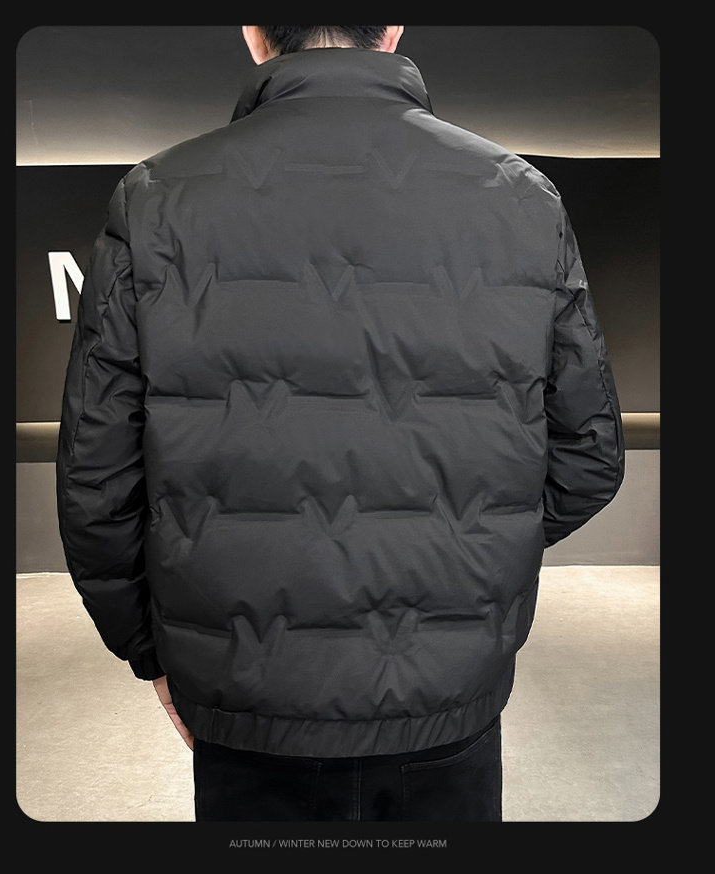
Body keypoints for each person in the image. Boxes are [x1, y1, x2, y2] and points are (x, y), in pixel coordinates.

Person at [56, 25, 625, 823]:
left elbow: (96, 479)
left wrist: (153, 652)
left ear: (253, 33)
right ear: (391, 27)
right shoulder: (520, 195)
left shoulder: (156, 197)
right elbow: (590, 455)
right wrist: (472, 550)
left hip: (244, 688)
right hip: (446, 689)